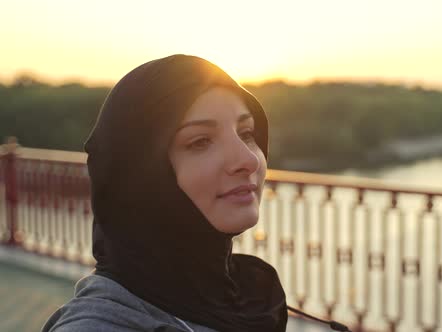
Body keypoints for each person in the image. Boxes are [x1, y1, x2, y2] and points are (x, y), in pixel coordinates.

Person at [42, 54, 288, 332]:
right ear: (140, 175)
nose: (249, 160)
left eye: (246, 133)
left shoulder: (242, 298)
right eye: (200, 141)